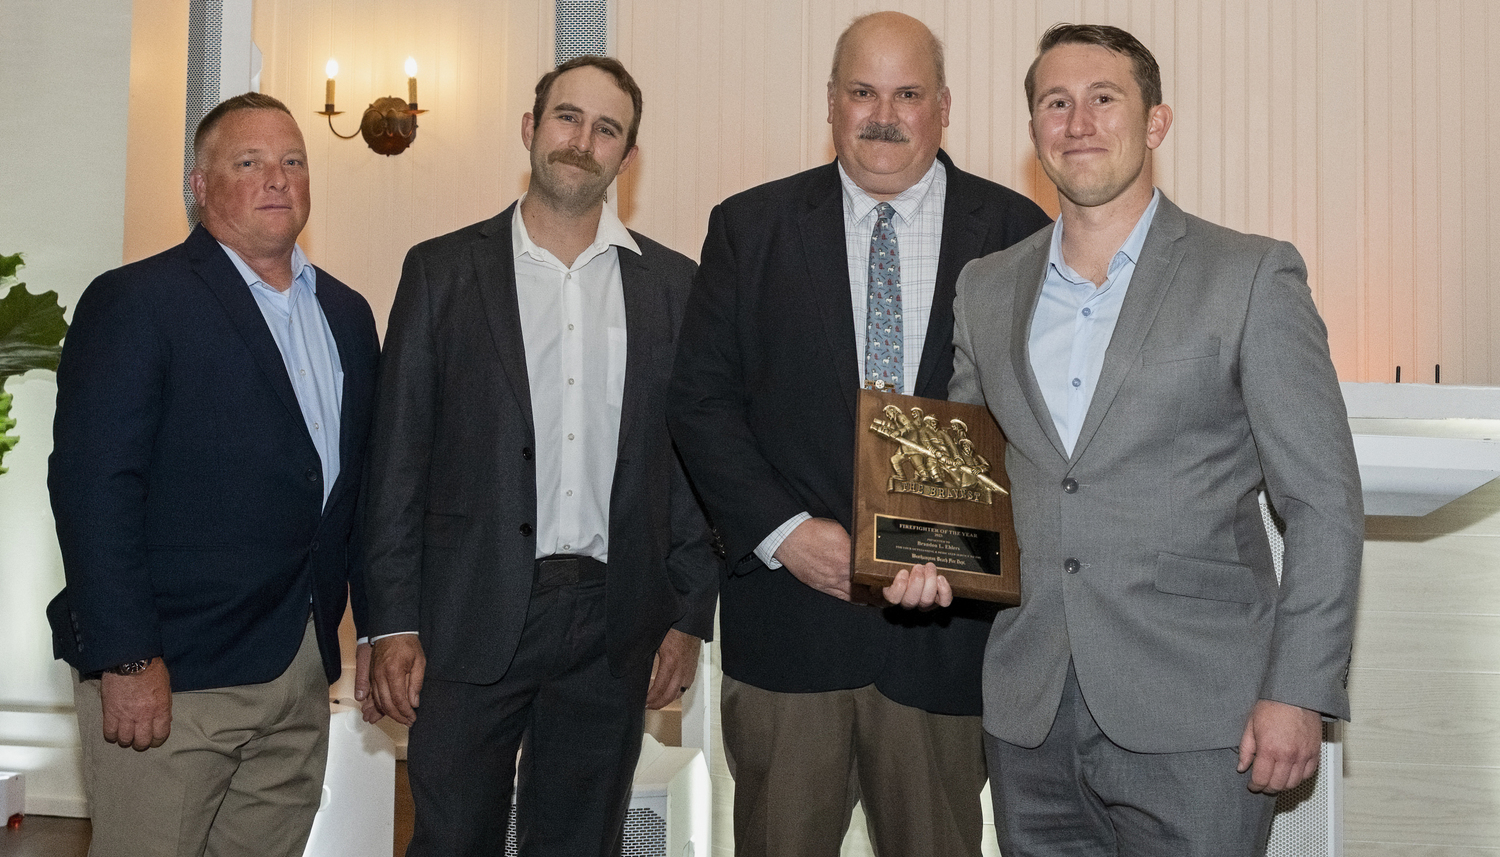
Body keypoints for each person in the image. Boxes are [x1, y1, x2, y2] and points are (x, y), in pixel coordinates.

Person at [907, 22, 1363, 856]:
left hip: (1202, 708)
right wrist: (927, 556)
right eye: (1056, 102)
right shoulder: (986, 287)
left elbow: (1323, 502)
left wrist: (1299, 689)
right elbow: (968, 479)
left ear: (1155, 122)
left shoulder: (1252, 275)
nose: (1078, 121)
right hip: (1028, 707)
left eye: (1103, 99)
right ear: (1035, 129)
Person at [667, 12, 1050, 856]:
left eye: (908, 94)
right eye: (863, 92)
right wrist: (784, 533)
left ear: (944, 107)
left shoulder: (1021, 233)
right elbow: (700, 403)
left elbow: (1045, 427)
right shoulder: (748, 228)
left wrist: (968, 553)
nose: (885, 114)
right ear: (831, 104)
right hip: (790, 631)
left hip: (946, 650)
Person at [362, 55, 718, 857]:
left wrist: (688, 617)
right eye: (567, 117)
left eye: (606, 129)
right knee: (451, 840)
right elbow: (397, 461)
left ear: (627, 157)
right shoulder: (441, 272)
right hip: (467, 613)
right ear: (530, 129)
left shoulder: (672, 287)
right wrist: (391, 620)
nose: (581, 141)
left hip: (613, 620)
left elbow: (692, 468)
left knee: (580, 843)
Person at [47, 92, 380, 857]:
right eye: (249, 162)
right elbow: (95, 488)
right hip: (172, 673)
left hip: (298, 670)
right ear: (200, 186)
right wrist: (126, 657)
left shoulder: (348, 314)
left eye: (293, 161)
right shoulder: (136, 301)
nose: (277, 178)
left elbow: (356, 490)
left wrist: (372, 629)